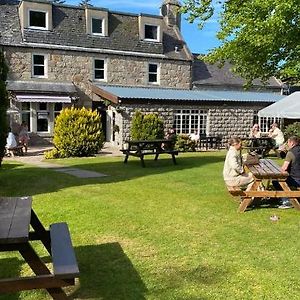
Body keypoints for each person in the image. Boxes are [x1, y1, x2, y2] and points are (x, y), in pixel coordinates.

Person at [275, 136, 300, 209]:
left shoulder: (291, 153)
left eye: (288, 143)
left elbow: (284, 168)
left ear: (292, 143)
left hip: (296, 179)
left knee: (276, 181)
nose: (287, 144)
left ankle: (287, 201)